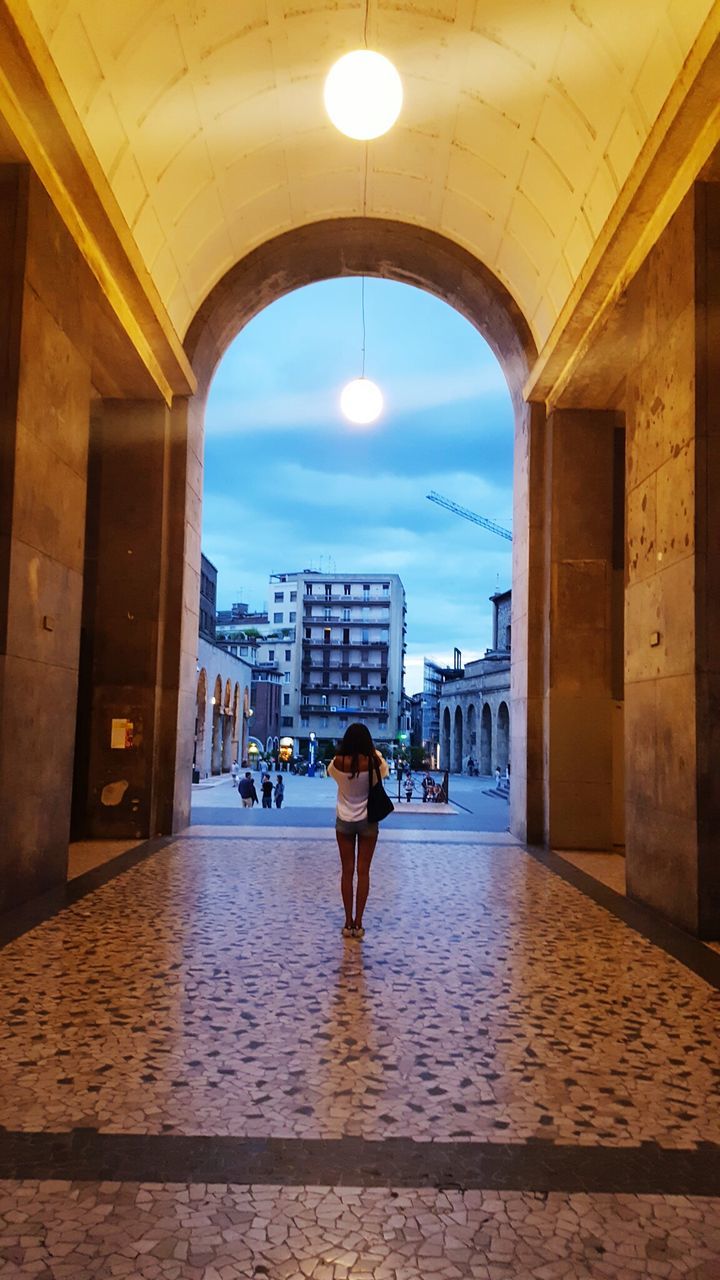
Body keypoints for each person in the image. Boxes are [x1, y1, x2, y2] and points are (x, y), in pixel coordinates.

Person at [328, 722, 389, 940]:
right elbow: (385, 771)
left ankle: (347, 923)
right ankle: (359, 924)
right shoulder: (373, 762)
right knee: (363, 872)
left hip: (344, 821)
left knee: (347, 872)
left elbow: (331, 774)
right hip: (368, 822)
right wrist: (373, 752)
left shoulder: (337, 762)